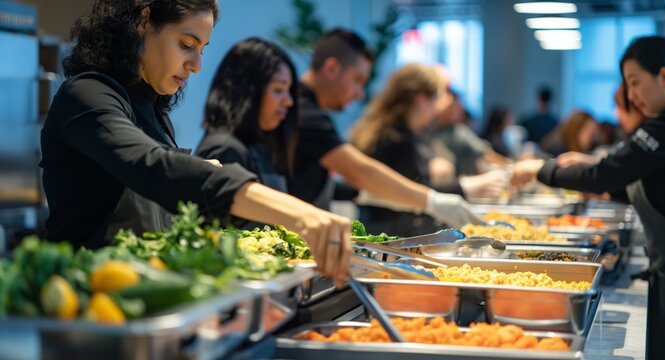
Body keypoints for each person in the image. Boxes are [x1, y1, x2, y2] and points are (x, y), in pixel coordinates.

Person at [40, 0, 352, 282]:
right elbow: (150, 166)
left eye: (201, 49)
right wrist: (300, 215)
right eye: (187, 44)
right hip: (84, 297)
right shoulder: (86, 95)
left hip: (146, 292)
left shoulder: (154, 110)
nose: (196, 65)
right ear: (143, 21)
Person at [511, 36, 665, 358]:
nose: (632, 97)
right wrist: (596, 175)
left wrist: (542, 169)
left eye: (635, 83)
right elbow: (642, 184)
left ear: (664, 77)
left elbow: (608, 175)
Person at [288, 28, 481, 229]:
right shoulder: (303, 111)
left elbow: (320, 181)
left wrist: (362, 194)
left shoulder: (310, 110)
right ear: (331, 68)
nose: (360, 94)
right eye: (358, 80)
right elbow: (360, 171)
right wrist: (433, 201)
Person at [349, 64, 507, 236]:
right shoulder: (394, 138)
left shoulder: (407, 132)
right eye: (436, 99)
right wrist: (463, 188)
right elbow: (409, 192)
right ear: (420, 99)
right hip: (387, 233)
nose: (437, 108)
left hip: (394, 228)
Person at [196, 38, 297, 221]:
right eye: (278, 89)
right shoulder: (224, 149)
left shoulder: (259, 147)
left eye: (288, 90)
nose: (288, 101)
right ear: (248, 91)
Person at [431, 90, 508, 176]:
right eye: (457, 107)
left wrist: (509, 165)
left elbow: (486, 154)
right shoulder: (429, 130)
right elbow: (487, 154)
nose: (461, 111)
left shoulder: (458, 130)